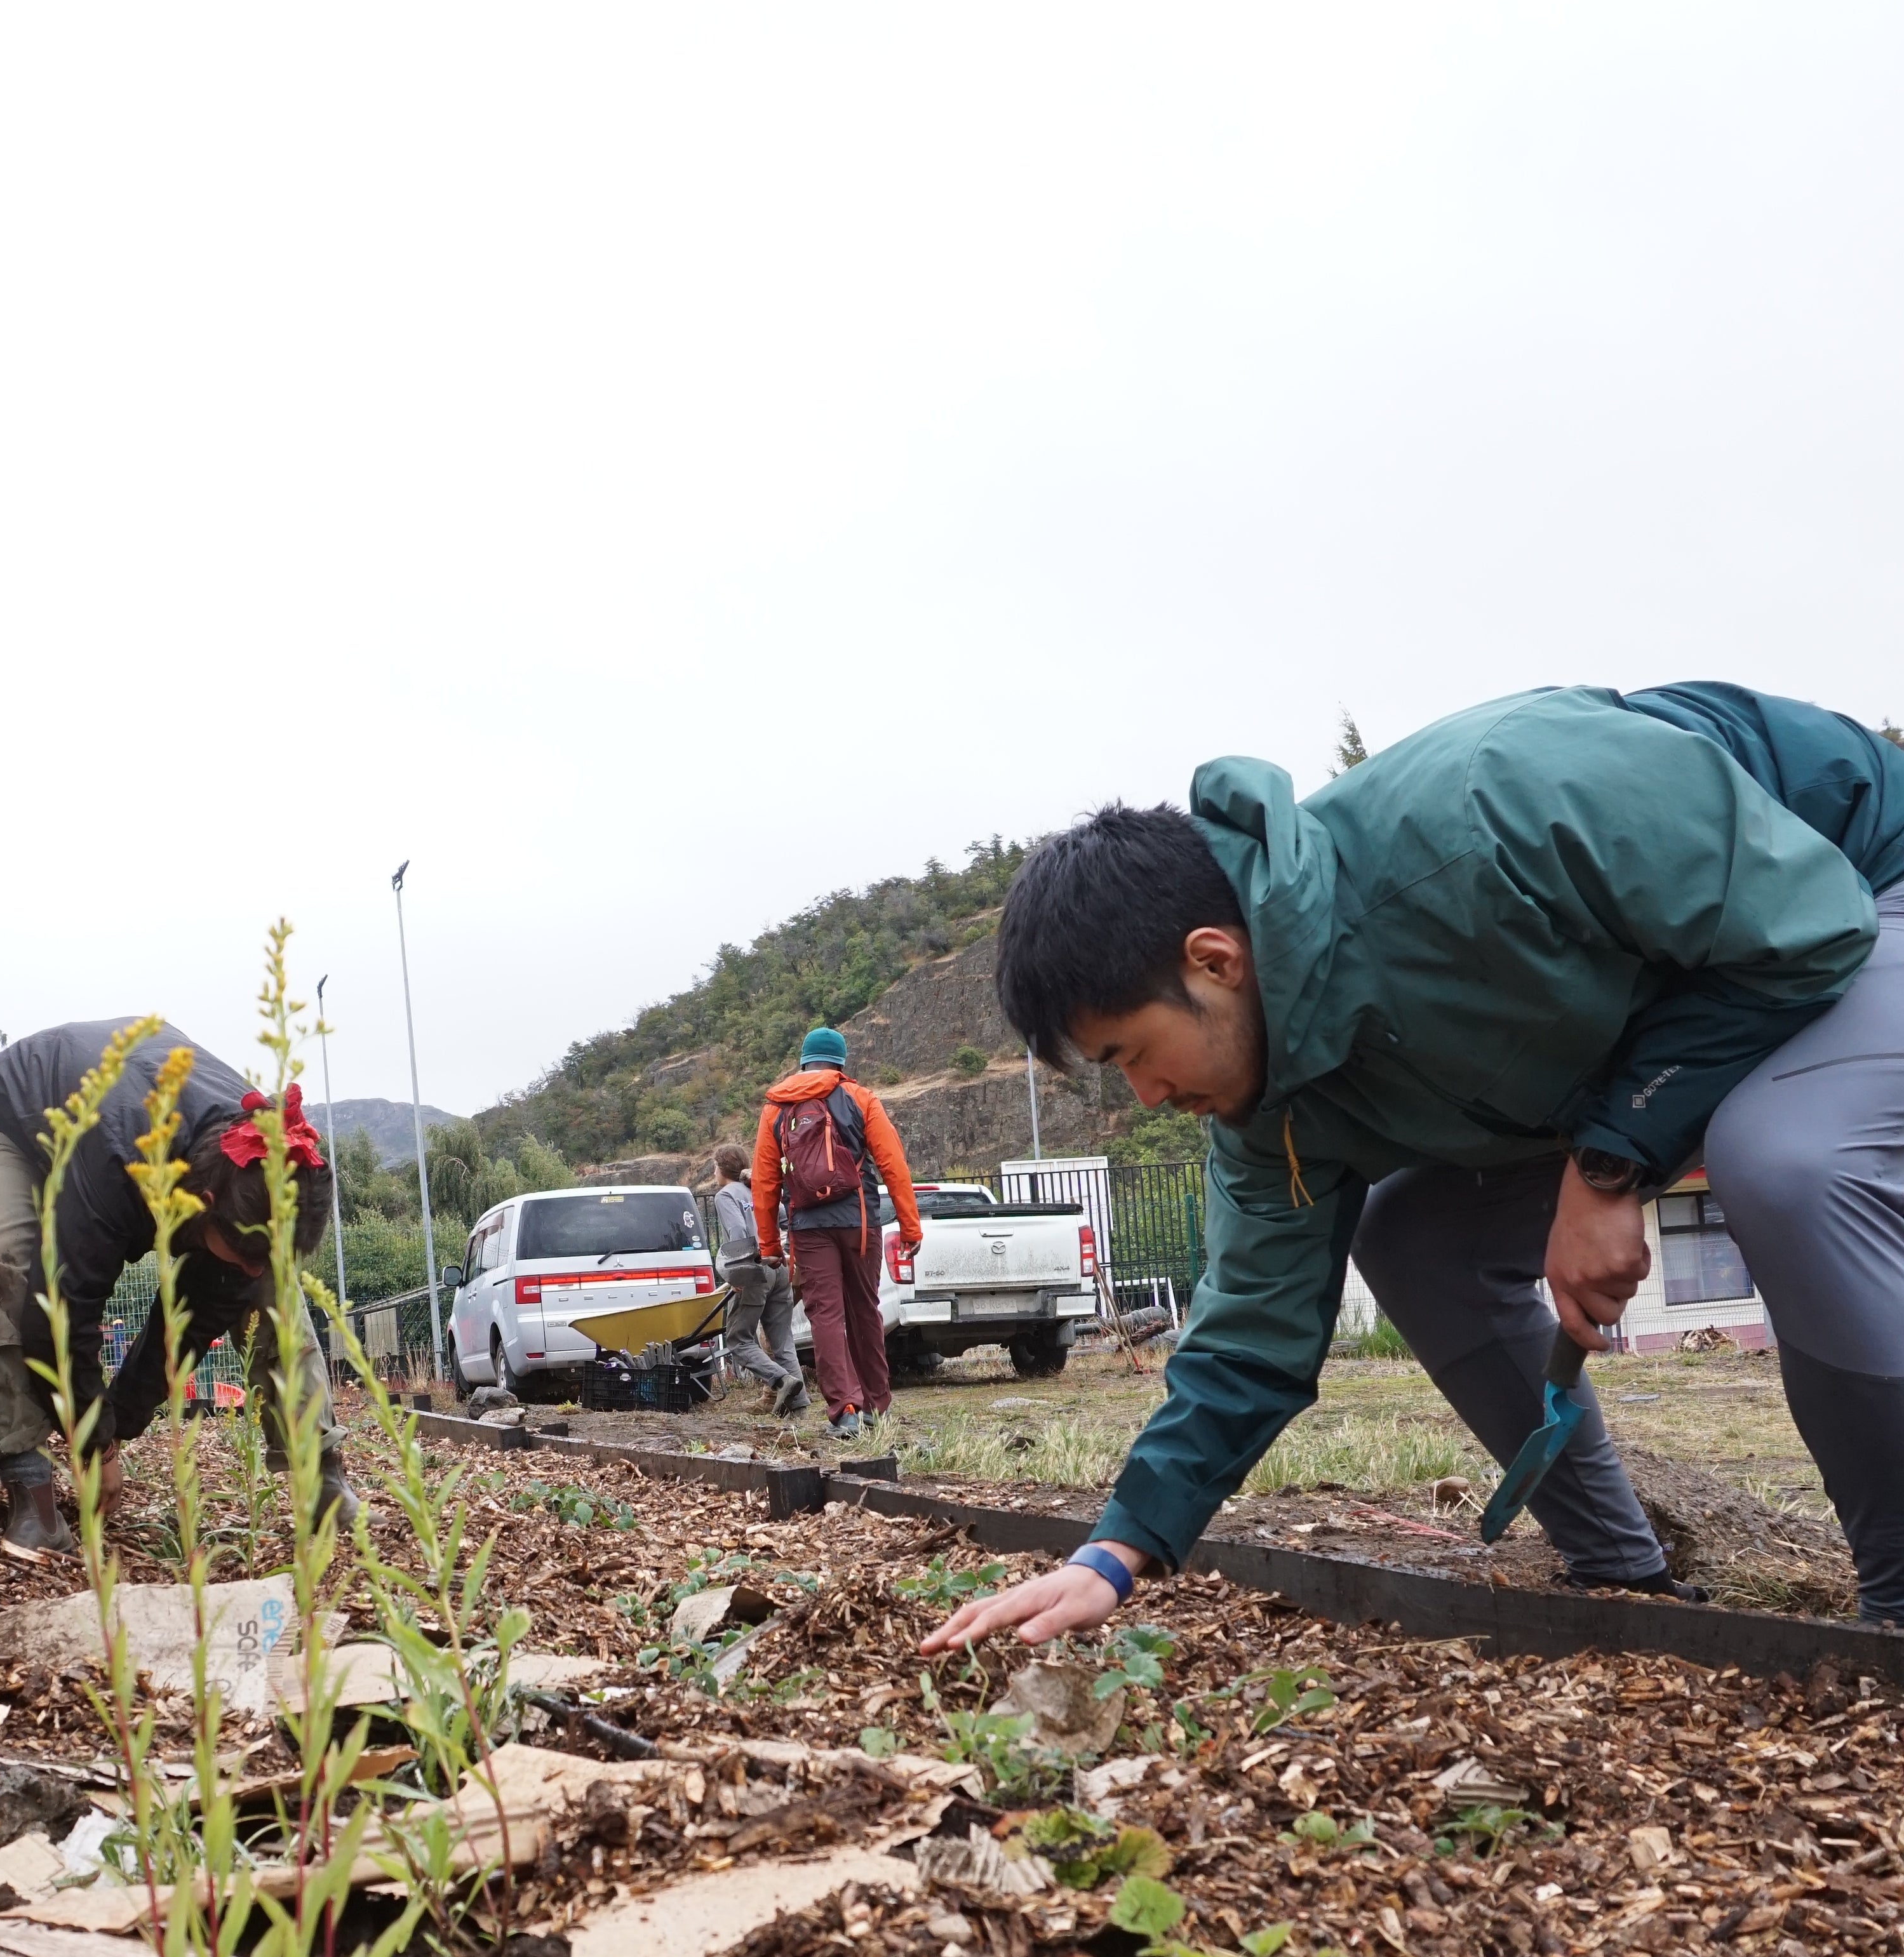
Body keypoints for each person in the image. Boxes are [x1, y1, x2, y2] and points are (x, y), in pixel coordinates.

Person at [922, 681, 1904, 1662]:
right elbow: (1250, 1335)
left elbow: (1805, 928)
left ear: (1214, 960)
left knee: (1787, 1161)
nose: (1142, 1096)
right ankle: (1618, 1576)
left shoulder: (1499, 805)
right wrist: (1114, 1552)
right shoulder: (1271, 1110)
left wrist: (1610, 1165)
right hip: (1647, 1019)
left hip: (1851, 880)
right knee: (1418, 1242)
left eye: (1130, 1052)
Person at [0, 1020, 351, 1555]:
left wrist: (119, 1422)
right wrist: (96, 1450)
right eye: (248, 1251)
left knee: (269, 1295)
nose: (254, 1266)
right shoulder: (121, 1159)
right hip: (19, 1124)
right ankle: (34, 1498)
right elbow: (62, 1318)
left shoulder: (250, 1171)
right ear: (205, 1206)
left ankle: (321, 1477)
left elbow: (186, 1328)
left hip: (143, 1137)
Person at [750, 1024, 922, 1441]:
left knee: (825, 1314)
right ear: (842, 1063)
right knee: (865, 1309)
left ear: (804, 1061)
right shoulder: (860, 1098)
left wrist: (769, 1243)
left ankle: (844, 1410)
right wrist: (911, 1226)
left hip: (809, 1227)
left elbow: (765, 1182)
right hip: (859, 1223)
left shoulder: (777, 1106)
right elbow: (893, 1166)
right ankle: (876, 1408)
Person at [709, 1140, 805, 1413]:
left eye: (715, 1167)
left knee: (739, 1339)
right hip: (779, 1267)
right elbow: (786, 1220)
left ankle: (780, 1380)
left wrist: (739, 1273)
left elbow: (739, 1233)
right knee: (783, 1341)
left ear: (721, 1168)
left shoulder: (726, 1195)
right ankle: (799, 1408)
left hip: (754, 1269)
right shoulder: (758, 1189)